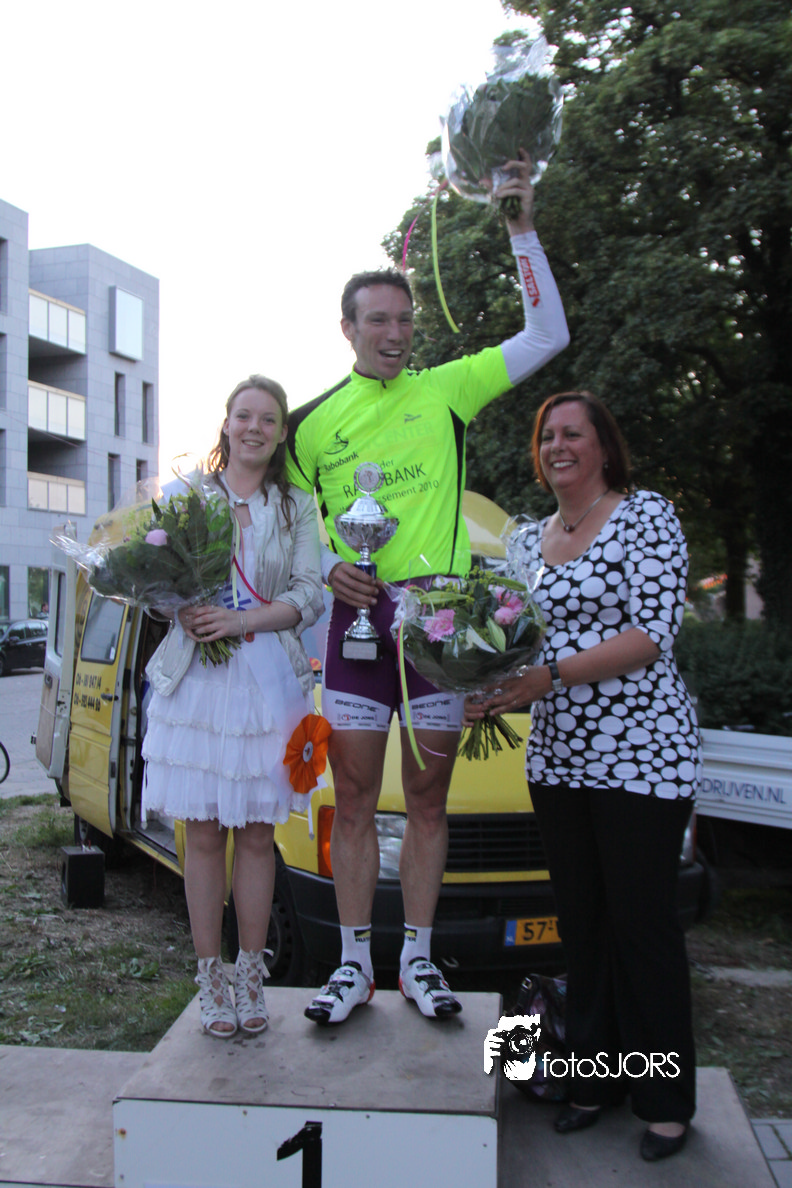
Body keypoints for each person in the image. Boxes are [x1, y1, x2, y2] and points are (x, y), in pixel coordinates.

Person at [285, 151, 569, 1026]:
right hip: (354, 630)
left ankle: (417, 961)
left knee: (430, 801)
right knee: (355, 800)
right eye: (378, 320)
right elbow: (287, 527)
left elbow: (546, 335)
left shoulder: (446, 390)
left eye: (405, 320)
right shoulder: (311, 425)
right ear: (347, 328)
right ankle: (352, 967)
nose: (396, 333)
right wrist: (323, 565)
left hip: (440, 631)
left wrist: (520, 225)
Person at [464, 390, 700, 1162]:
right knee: (584, 928)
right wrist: (486, 686)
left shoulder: (645, 516)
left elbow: (651, 634)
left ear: (604, 446)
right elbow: (514, 640)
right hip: (560, 757)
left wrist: (550, 677)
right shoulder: (526, 541)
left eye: (574, 433)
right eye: (548, 436)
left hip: (642, 756)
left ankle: (665, 1103)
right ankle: (593, 1083)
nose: (558, 445)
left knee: (642, 928)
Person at [142, 376, 324, 1038]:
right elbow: (151, 587)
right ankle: (209, 977)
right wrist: (182, 611)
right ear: (225, 423)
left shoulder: (295, 506)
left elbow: (309, 594)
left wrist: (242, 621)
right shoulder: (188, 496)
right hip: (199, 685)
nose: (254, 428)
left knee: (254, 834)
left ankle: (251, 976)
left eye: (268, 419)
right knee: (203, 835)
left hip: (267, 684)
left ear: (281, 433)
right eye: (244, 416)